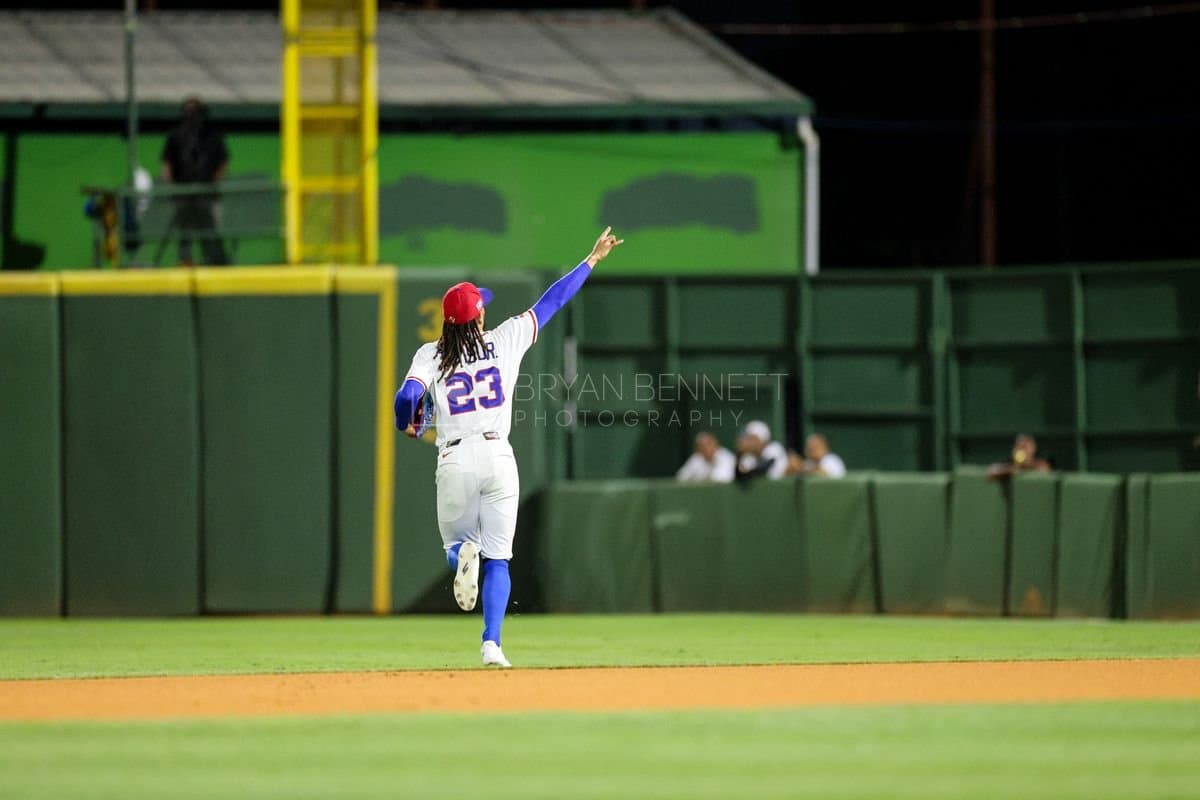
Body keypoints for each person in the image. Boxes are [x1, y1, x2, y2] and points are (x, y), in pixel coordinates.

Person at [393, 227, 623, 668]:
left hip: (456, 456)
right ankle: (492, 644)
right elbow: (553, 300)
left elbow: (407, 399)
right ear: (479, 319)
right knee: (500, 558)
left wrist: (409, 422)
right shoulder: (505, 339)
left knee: (456, 547)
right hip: (499, 456)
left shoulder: (431, 355)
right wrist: (592, 259)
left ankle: (463, 555)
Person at [161, 96, 229, 266]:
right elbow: (167, 165)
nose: (193, 116)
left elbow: (222, 163)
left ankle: (211, 261)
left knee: (208, 230)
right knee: (184, 231)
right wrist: (173, 188)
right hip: (182, 193)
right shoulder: (176, 135)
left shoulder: (213, 135)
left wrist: (214, 184)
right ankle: (185, 261)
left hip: (206, 193)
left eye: (196, 112)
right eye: (189, 112)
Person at [986, 433, 1053, 480]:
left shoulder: (1040, 464)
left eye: (1025, 447)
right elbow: (991, 472)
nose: (1022, 450)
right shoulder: (1010, 464)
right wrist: (1013, 469)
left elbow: (1044, 471)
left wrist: (1024, 466)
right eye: (1019, 446)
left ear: (1033, 448)